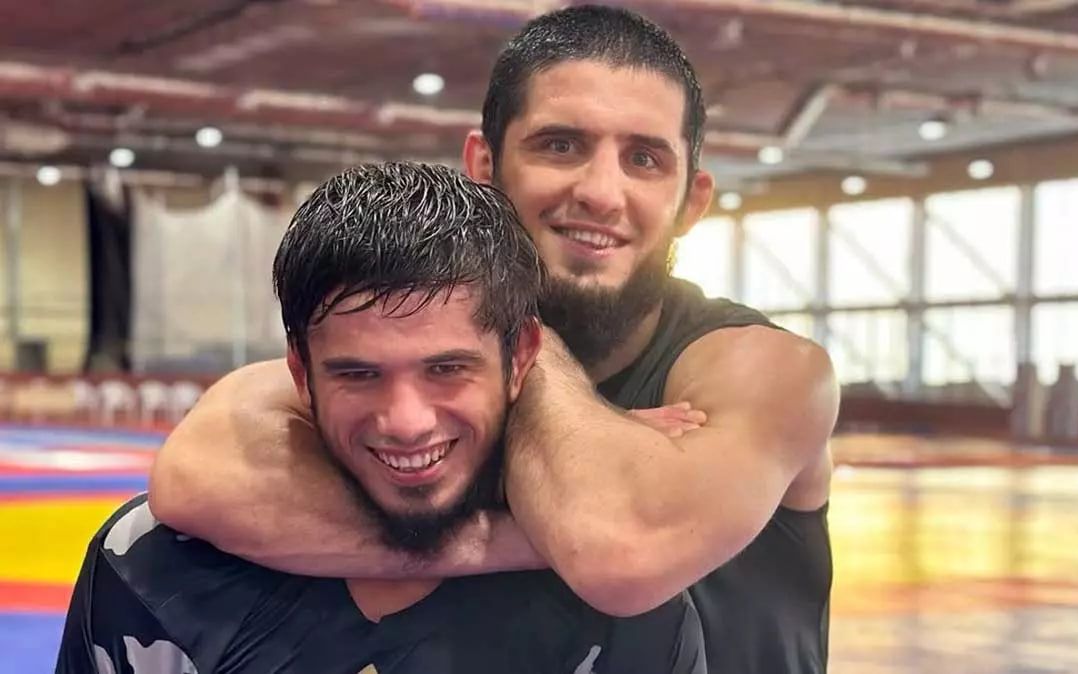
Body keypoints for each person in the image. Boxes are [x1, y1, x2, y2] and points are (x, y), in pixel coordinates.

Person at [149, 6, 840, 673]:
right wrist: (510, 533)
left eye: (644, 159)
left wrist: (529, 355)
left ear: (692, 201)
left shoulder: (767, 369)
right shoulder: (417, 353)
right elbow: (195, 480)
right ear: (482, 165)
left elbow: (622, 553)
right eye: (561, 145)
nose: (602, 192)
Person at [56, 162, 707, 674]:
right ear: (301, 372)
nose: (405, 421)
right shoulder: (150, 571)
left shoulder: (622, 614)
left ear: (520, 359)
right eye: (358, 374)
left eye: (446, 368)